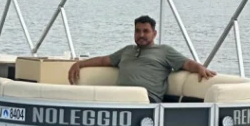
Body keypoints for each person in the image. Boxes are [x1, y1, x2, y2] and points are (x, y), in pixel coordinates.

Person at [67, 15, 216, 103]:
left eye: (146, 31)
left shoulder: (164, 51)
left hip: (146, 102)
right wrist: (80, 64)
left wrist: (200, 68)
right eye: (138, 31)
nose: (141, 35)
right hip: (120, 99)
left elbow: (186, 63)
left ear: (154, 33)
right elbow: (103, 60)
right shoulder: (127, 50)